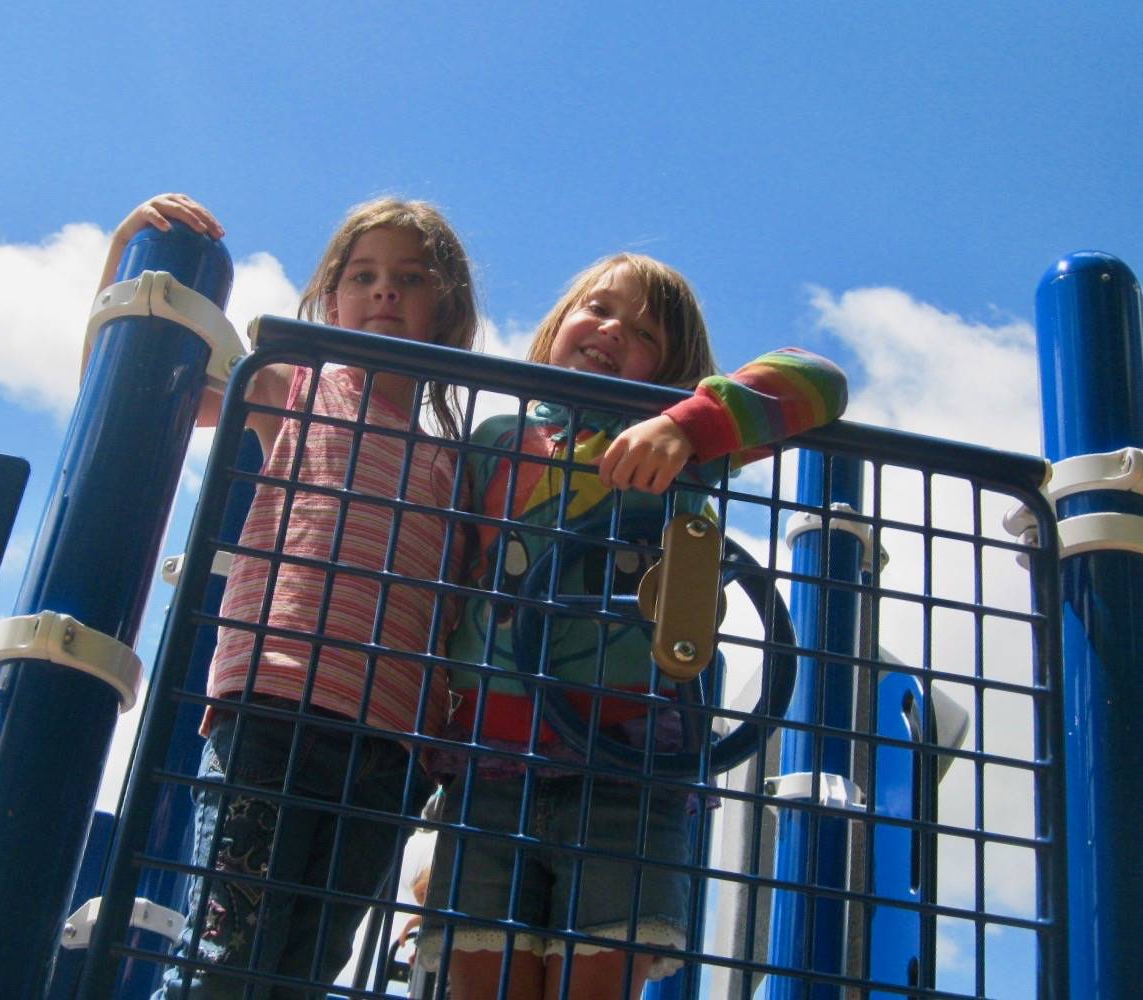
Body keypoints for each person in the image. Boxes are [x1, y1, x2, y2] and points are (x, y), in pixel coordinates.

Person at [417, 253, 848, 1000]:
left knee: (597, 978)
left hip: (623, 762)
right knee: (483, 978)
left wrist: (689, 423)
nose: (611, 330)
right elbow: (448, 577)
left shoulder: (681, 450)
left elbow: (819, 382)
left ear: (670, 366)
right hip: (489, 760)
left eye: (642, 330)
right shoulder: (498, 437)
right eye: (597, 307)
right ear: (558, 321)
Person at [99, 193, 478, 998]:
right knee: (225, 963)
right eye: (363, 274)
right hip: (274, 708)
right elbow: (131, 380)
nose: (385, 292)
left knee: (304, 974)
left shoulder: (453, 462)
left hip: (389, 746)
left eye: (411, 279)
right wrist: (129, 261)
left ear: (446, 309)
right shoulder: (292, 385)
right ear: (332, 295)